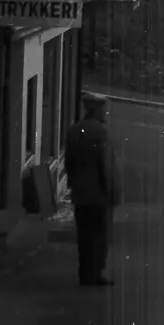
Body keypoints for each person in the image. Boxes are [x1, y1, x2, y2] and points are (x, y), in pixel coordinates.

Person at [64, 91, 120, 287]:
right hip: (98, 194)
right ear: (96, 109)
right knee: (99, 236)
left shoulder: (74, 130)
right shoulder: (101, 133)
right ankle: (95, 274)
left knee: (84, 236)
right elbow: (106, 167)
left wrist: (72, 184)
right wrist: (112, 191)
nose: (106, 112)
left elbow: (68, 162)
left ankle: (84, 273)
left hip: (80, 194)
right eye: (104, 108)